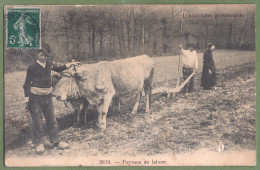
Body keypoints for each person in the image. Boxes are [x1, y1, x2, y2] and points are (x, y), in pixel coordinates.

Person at [23, 44, 80, 154]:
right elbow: (26, 84)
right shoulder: (32, 67)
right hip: (35, 98)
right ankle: (38, 143)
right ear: (37, 54)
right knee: (37, 121)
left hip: (48, 97)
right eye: (41, 55)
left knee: (52, 120)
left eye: (46, 55)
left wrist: (70, 64)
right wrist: (27, 100)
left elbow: (59, 68)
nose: (43, 57)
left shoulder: (49, 64)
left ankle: (55, 141)